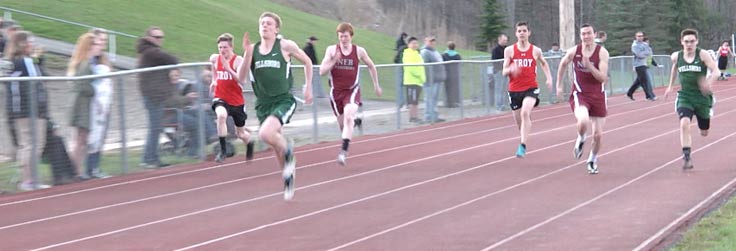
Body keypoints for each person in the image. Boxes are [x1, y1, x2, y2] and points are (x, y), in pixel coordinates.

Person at [236, 12, 313, 200]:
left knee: (265, 134)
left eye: (269, 23)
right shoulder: (252, 50)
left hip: (283, 100)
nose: (265, 26)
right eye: (262, 23)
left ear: (276, 28)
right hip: (263, 104)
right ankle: (288, 177)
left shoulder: (285, 46)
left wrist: (308, 86)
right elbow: (241, 78)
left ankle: (289, 152)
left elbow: (308, 61)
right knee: (274, 143)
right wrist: (246, 53)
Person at [319, 22, 382, 166]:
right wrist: (334, 60)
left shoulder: (359, 51)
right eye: (341, 36)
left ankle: (343, 153)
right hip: (336, 93)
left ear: (351, 36)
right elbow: (322, 71)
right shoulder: (331, 50)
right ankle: (355, 122)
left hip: (352, 91)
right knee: (343, 125)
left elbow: (371, 66)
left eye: (346, 36)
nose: (343, 39)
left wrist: (376, 85)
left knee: (348, 116)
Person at [556, 23, 610, 174]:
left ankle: (592, 159)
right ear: (580, 36)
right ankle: (581, 138)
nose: (586, 36)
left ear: (595, 34)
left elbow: (602, 78)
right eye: (583, 34)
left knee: (598, 135)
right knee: (583, 121)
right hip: (580, 94)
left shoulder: (602, 53)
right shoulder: (575, 51)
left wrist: (590, 66)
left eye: (589, 33)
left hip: (598, 95)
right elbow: (563, 64)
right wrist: (558, 85)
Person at [663, 28, 720, 170]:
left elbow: (716, 71)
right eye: (686, 41)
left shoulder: (702, 55)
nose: (689, 44)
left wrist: (708, 83)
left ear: (697, 42)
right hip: (685, 96)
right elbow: (674, 68)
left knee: (704, 132)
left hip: (702, 98)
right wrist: (670, 86)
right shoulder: (676, 56)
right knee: (684, 123)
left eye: (692, 41)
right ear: (681, 42)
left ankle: (706, 117)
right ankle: (687, 156)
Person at [137, 27, 191, 168]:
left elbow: (170, 60)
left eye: (161, 37)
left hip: (157, 96)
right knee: (155, 128)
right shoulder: (149, 52)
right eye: (156, 37)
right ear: (148, 37)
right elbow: (172, 59)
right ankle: (149, 159)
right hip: (153, 96)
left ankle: (151, 157)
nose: (159, 40)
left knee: (155, 128)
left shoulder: (151, 52)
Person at [3, 31, 52, 190]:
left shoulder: (15, 61)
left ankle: (27, 179)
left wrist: (38, 60)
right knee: (34, 144)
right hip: (30, 109)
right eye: (31, 42)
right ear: (23, 44)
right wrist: (37, 60)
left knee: (27, 144)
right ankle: (29, 179)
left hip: (20, 110)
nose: (33, 44)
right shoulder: (24, 61)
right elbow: (39, 80)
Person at [502, 21, 553, 158]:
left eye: (524, 31)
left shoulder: (535, 50)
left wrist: (549, 78)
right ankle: (524, 135)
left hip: (531, 88)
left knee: (525, 113)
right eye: (519, 31)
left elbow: (544, 63)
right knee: (520, 122)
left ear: (529, 33)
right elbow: (504, 71)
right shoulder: (510, 50)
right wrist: (511, 69)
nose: (522, 33)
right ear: (516, 33)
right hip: (514, 90)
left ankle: (522, 145)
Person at [68, 32, 110, 179]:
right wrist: (95, 90)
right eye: (96, 45)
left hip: (87, 104)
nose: (100, 47)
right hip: (83, 105)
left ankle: (78, 170)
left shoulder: (91, 62)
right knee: (80, 139)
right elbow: (82, 84)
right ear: (90, 46)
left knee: (84, 139)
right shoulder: (85, 63)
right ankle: (75, 171)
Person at [208, 33, 254, 162]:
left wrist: (228, 68)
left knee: (241, 133)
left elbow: (241, 80)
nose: (222, 51)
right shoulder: (215, 58)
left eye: (225, 48)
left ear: (231, 47)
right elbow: (213, 68)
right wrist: (214, 80)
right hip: (220, 97)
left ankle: (249, 143)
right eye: (220, 48)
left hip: (236, 101)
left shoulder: (238, 60)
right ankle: (223, 151)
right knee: (221, 116)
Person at [420, 36, 446, 123]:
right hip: (430, 80)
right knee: (429, 98)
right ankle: (428, 116)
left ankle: (434, 115)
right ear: (425, 41)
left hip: (437, 79)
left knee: (434, 99)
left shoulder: (435, 52)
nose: (432, 43)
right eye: (430, 41)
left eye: (433, 41)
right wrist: (427, 78)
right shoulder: (425, 52)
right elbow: (424, 66)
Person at [626, 31, 656, 101]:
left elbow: (649, 52)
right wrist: (644, 53)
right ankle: (649, 96)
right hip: (638, 65)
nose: (640, 37)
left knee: (639, 81)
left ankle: (629, 93)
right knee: (644, 81)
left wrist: (644, 53)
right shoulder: (634, 45)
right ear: (636, 37)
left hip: (644, 64)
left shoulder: (645, 44)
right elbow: (639, 55)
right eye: (639, 36)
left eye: (641, 36)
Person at [401, 36, 425, 123]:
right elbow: (410, 67)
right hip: (411, 81)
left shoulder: (417, 54)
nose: (415, 45)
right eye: (413, 43)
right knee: (412, 100)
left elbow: (421, 66)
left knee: (416, 101)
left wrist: (422, 78)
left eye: (416, 43)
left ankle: (415, 116)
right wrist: (418, 75)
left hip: (418, 81)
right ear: (408, 45)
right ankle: (412, 117)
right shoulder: (407, 54)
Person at [442, 41, 462, 108]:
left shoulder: (444, 55)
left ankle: (449, 102)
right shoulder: (458, 55)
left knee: (448, 88)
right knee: (455, 88)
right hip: (455, 73)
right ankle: (456, 102)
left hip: (447, 73)